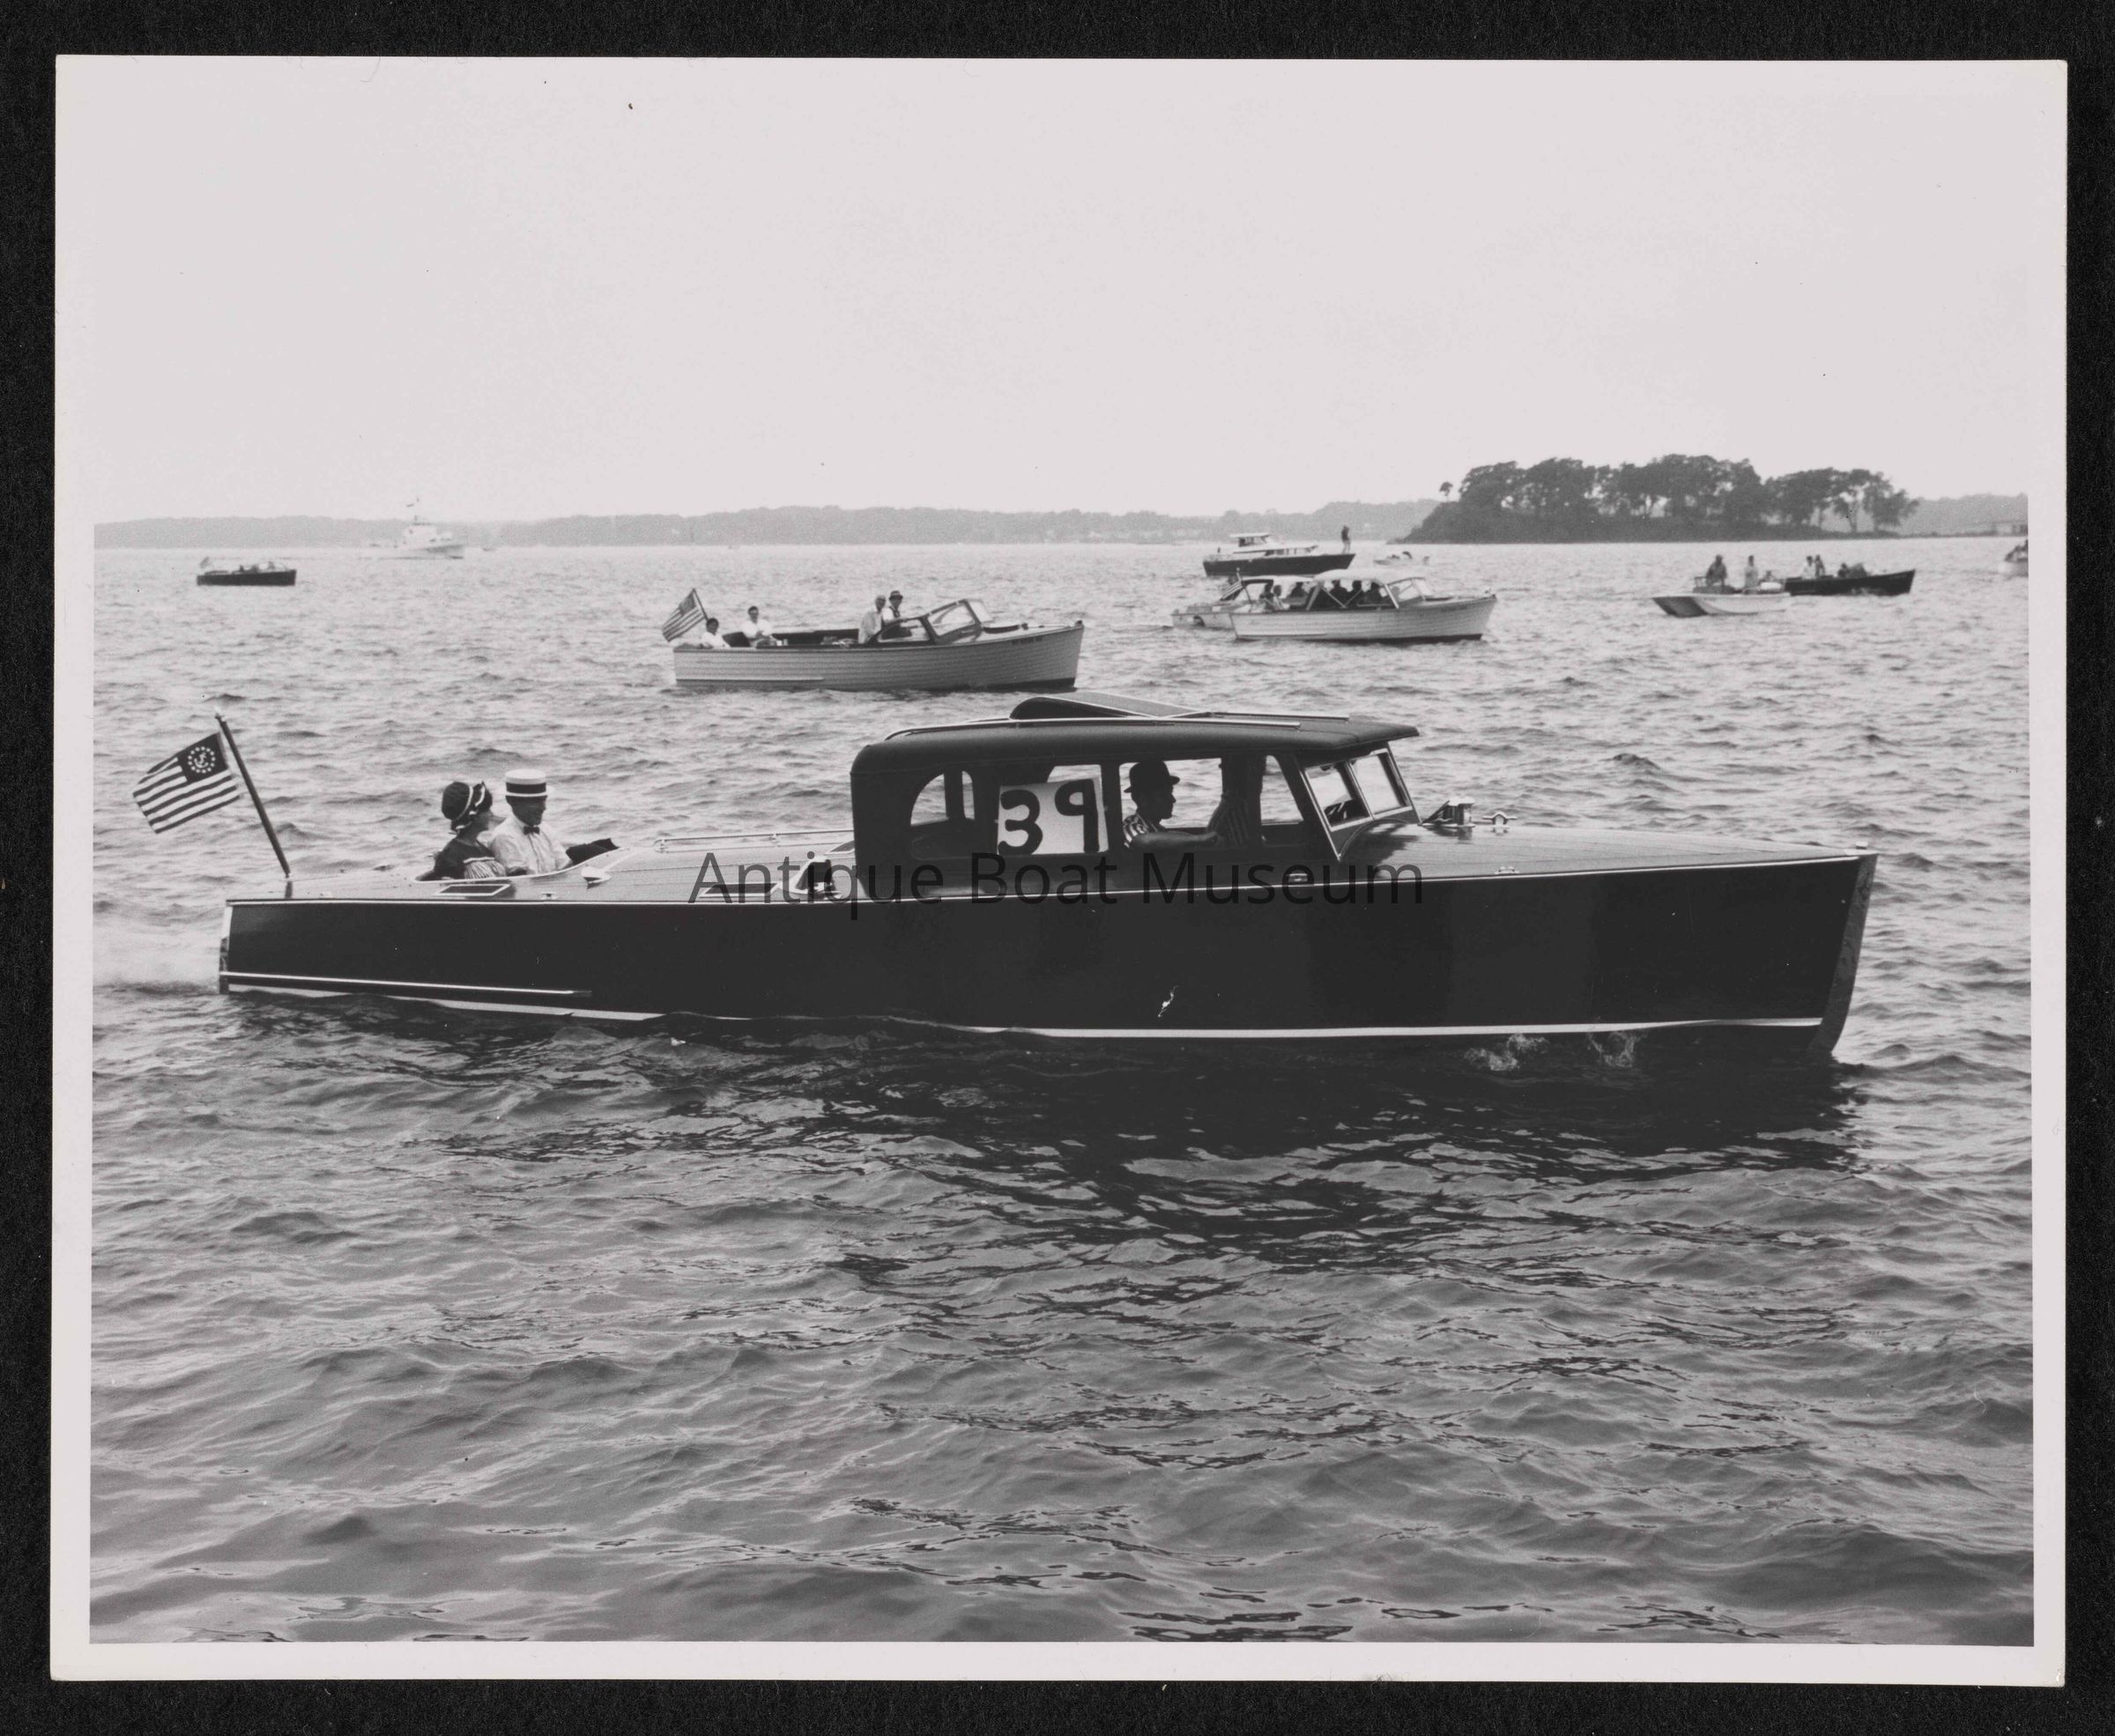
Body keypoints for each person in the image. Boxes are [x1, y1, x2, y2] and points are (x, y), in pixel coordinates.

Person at [487, 768, 571, 877]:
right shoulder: (504, 837)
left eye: (544, 800)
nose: (543, 808)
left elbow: (565, 867)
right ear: (512, 801)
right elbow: (522, 883)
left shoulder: (545, 829)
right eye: (536, 801)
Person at [424, 780, 505, 880]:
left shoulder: (484, 849)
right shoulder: (451, 856)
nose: (491, 814)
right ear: (473, 816)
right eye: (487, 810)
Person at [1122, 760, 1182, 845]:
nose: (1173, 799)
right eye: (1163, 795)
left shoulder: (1158, 829)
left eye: (1171, 792)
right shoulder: (1130, 826)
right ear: (1143, 799)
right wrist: (1198, 839)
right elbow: (1143, 841)